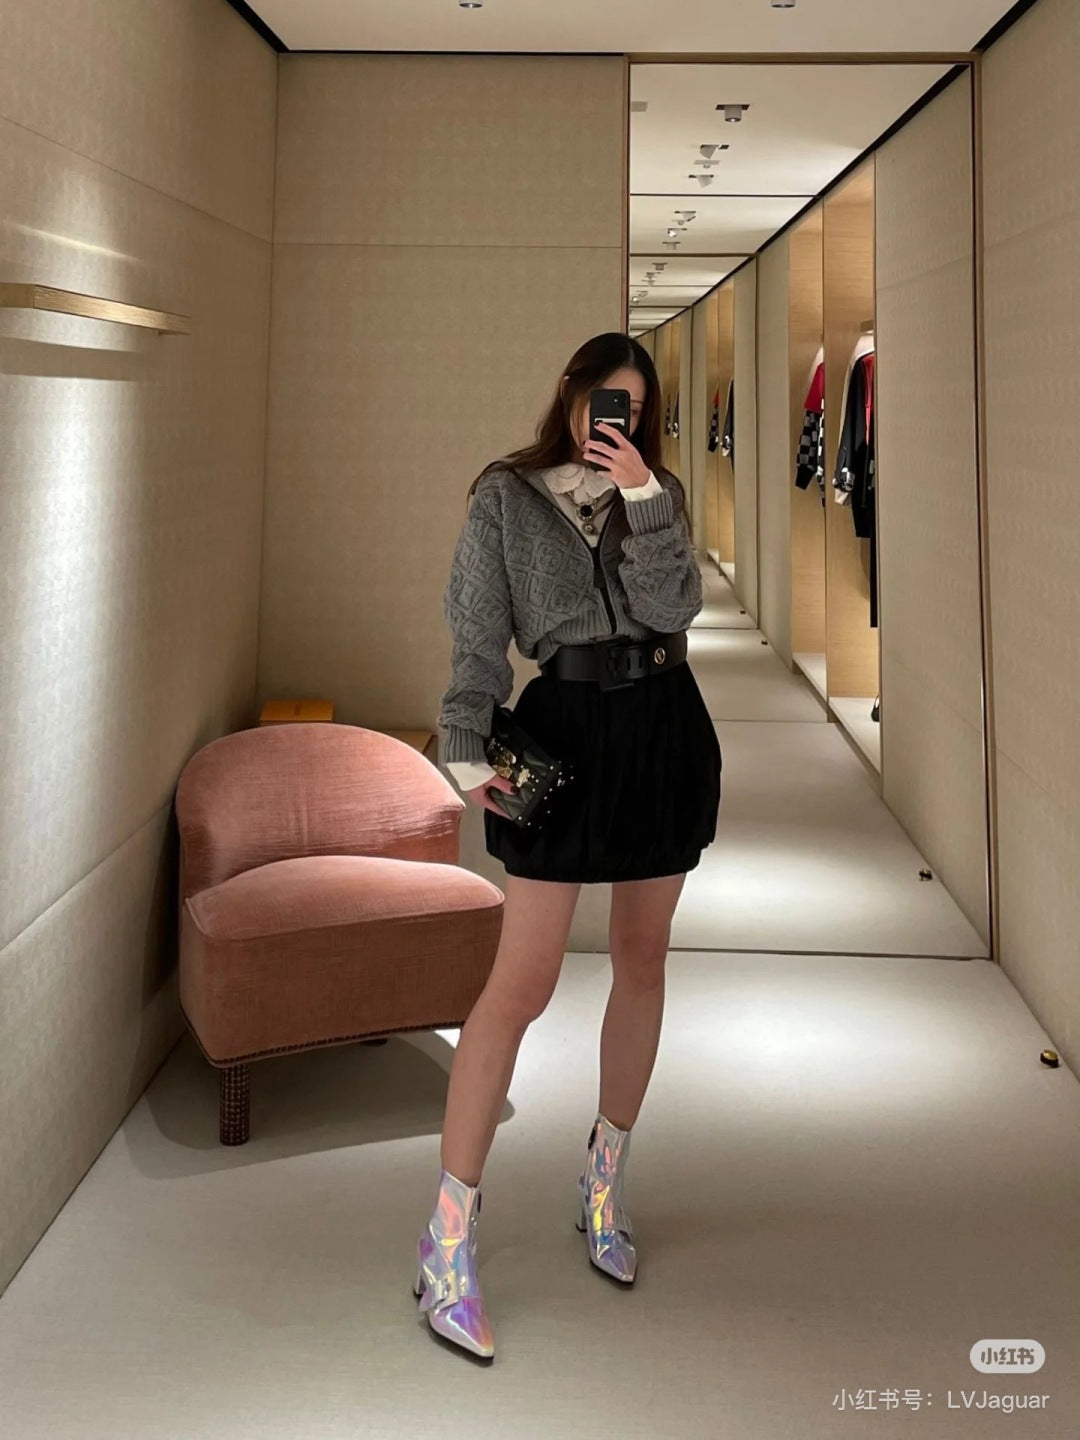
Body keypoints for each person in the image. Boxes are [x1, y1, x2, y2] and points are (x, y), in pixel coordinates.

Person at [413, 331, 723, 1361]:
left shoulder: (658, 493)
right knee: (522, 983)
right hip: (564, 739)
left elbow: (676, 609)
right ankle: (446, 1242)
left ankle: (602, 1186)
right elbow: (475, 636)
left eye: (633, 408)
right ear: (572, 393)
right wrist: (465, 742)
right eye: (604, 401)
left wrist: (644, 499)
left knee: (643, 958)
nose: (615, 421)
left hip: (664, 730)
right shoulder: (505, 497)